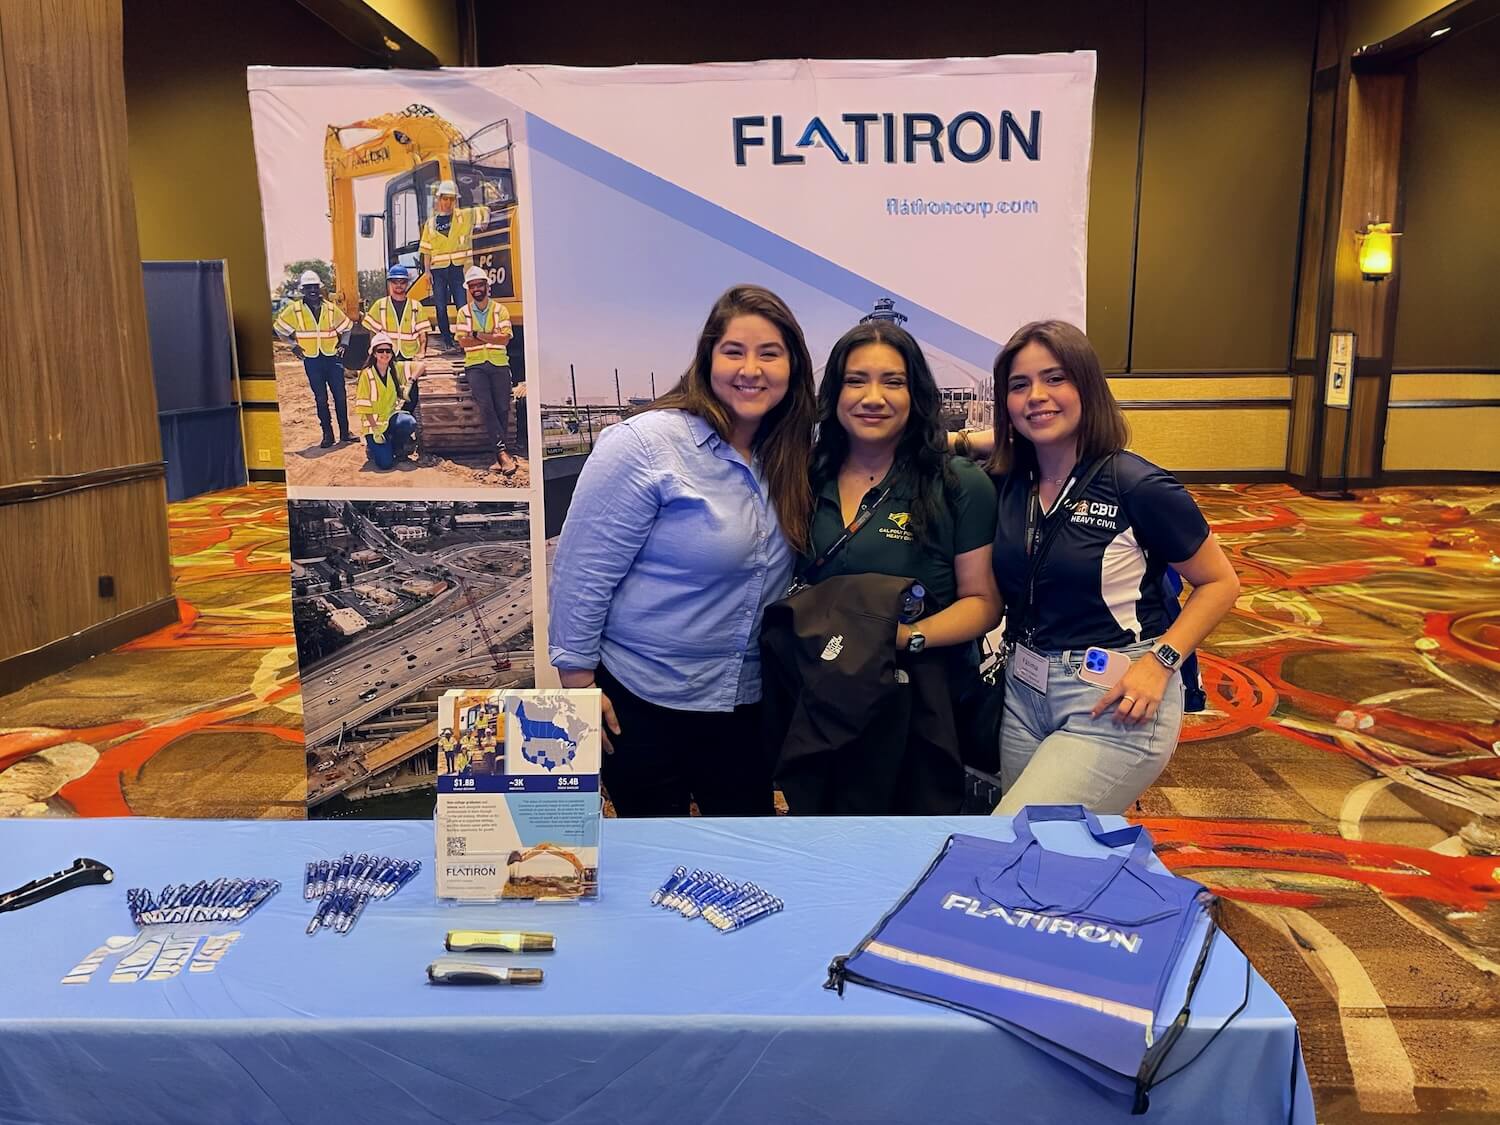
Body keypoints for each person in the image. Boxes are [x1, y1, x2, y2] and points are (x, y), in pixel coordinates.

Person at [548, 284, 817, 817]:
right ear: (707, 358)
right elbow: (583, 575)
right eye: (734, 351)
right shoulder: (644, 445)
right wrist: (578, 686)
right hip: (641, 706)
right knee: (651, 864)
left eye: (770, 353)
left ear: (794, 367)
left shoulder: (790, 455)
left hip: (744, 703)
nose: (751, 369)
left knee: (739, 857)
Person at [984, 320, 1240, 815]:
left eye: (1055, 378)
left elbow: (1221, 583)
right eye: (1020, 385)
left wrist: (1162, 663)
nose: (1037, 396)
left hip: (1114, 696)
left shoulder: (1136, 484)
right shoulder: (1011, 483)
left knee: (1015, 836)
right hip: (1022, 691)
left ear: (1087, 386)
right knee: (1044, 860)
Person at [770, 321, 1001, 813]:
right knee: (824, 839)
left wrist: (903, 637)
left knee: (915, 855)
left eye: (892, 382)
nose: (873, 397)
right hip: (824, 705)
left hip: (920, 712)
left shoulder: (957, 485)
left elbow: (983, 603)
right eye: (856, 381)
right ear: (833, 393)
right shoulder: (804, 478)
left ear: (914, 393)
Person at [274, 270, 355, 448]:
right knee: (320, 398)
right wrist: (293, 345)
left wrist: (344, 344)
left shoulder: (331, 308)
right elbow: (279, 328)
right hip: (312, 360)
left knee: (340, 396)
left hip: (332, 358)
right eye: (308, 287)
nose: (312, 290)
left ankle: (345, 433)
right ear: (302, 290)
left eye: (315, 287)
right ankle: (327, 434)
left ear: (320, 288)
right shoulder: (294, 310)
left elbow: (347, 327)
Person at [455, 266, 518, 476]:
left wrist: (478, 335)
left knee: (502, 407)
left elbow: (505, 338)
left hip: (499, 363)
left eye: (479, 285)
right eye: (472, 286)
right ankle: (502, 453)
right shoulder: (463, 312)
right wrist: (490, 334)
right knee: (486, 406)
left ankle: (501, 454)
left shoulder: (500, 310)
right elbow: (463, 343)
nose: (476, 289)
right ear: (469, 289)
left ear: (486, 286)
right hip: (475, 366)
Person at [420, 179, 488, 353]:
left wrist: (483, 222)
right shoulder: (430, 224)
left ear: (455, 201)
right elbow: (426, 250)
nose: (448, 203)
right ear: (439, 199)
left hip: (457, 269)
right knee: (440, 307)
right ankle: (447, 341)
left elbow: (485, 211)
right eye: (445, 199)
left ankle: (464, 338)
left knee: (461, 305)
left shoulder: (463, 216)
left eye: (451, 199)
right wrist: (427, 272)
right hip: (438, 271)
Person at [353, 332, 420, 471]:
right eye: (380, 351)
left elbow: (421, 366)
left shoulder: (395, 368)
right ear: (374, 354)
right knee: (385, 464)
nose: (385, 354)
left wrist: (410, 381)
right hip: (374, 425)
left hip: (390, 417)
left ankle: (396, 446)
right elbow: (363, 407)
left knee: (409, 422)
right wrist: (376, 430)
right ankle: (375, 447)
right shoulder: (366, 374)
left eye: (388, 350)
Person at [362, 264, 432, 360]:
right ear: (390, 283)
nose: (399, 285)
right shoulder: (380, 305)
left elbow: (423, 333)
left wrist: (422, 352)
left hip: (410, 354)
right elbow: (372, 331)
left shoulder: (416, 306)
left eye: (402, 282)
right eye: (395, 282)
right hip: (387, 354)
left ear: (407, 283)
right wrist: (375, 350)